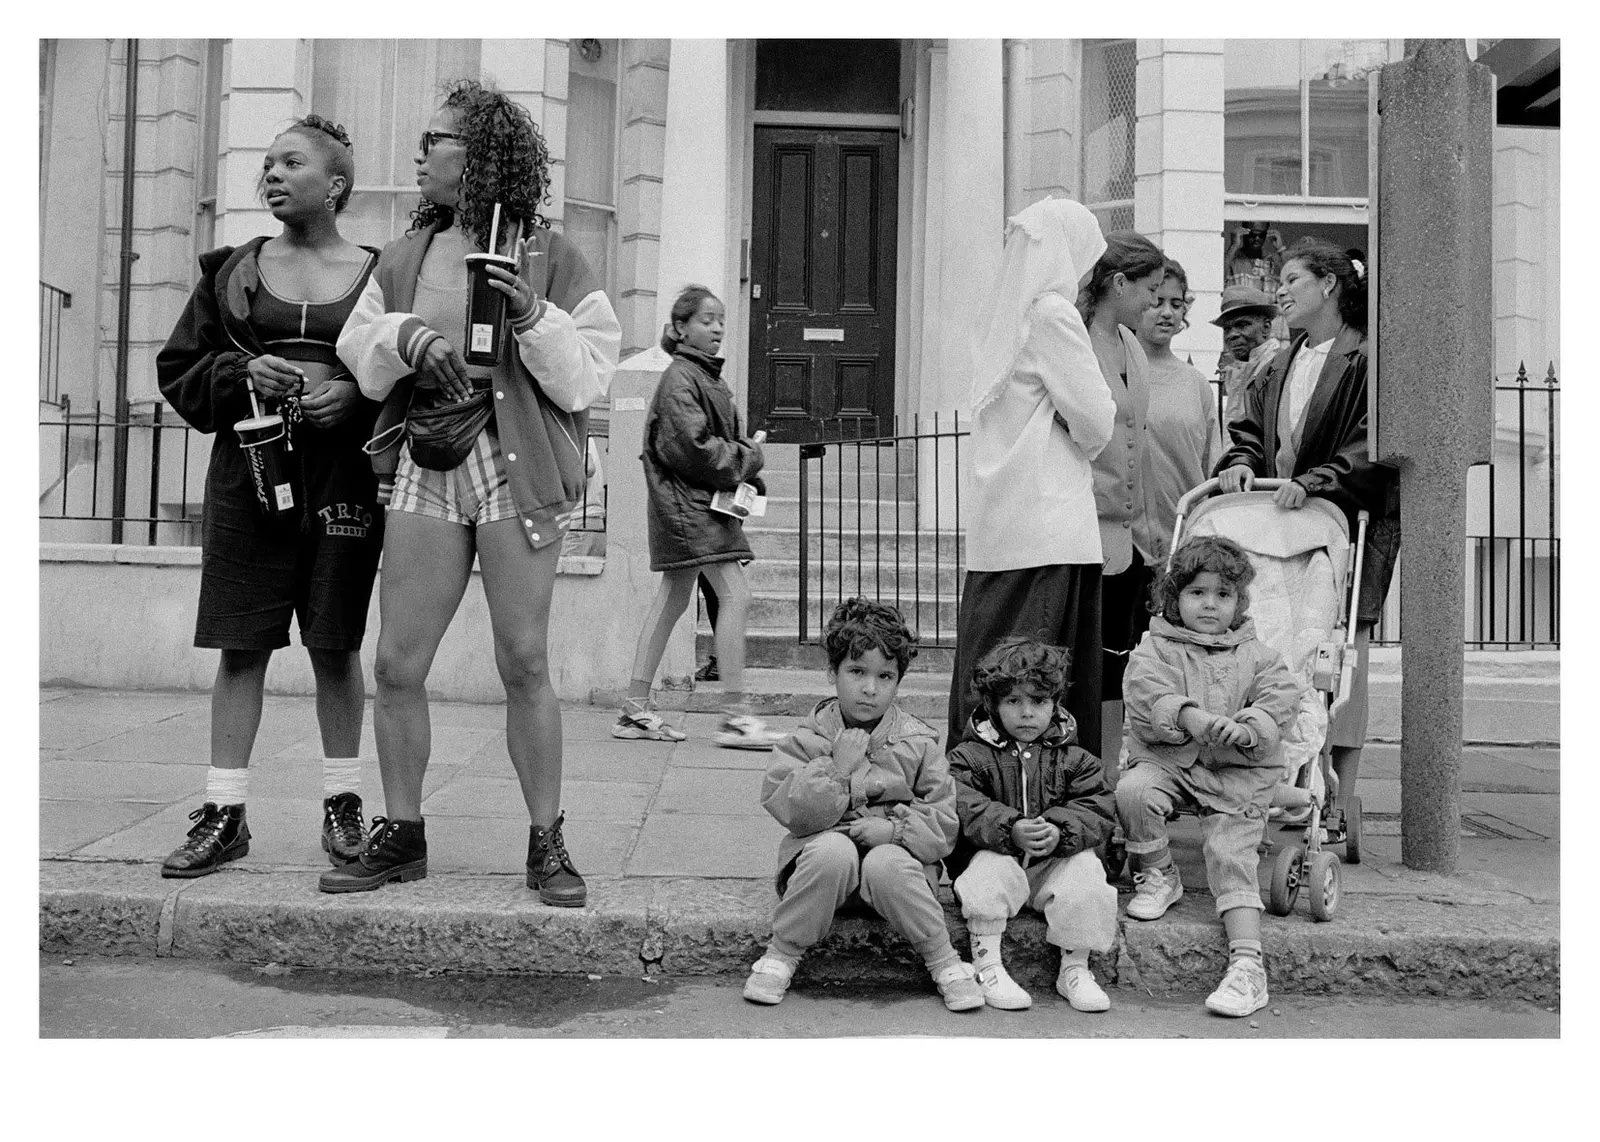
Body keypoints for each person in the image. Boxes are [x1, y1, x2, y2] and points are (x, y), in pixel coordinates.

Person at [325, 80, 620, 905]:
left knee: (524, 658)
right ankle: (403, 833)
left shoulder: (552, 254)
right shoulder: (407, 255)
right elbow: (360, 345)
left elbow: (587, 374)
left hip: (516, 464)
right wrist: (407, 336)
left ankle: (546, 841)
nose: (421, 153)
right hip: (429, 457)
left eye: (436, 140)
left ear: (480, 154)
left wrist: (531, 314)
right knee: (396, 660)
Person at [156, 115, 382, 878]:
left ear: (337, 183)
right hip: (249, 476)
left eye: (290, 162)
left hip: (343, 480)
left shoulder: (380, 275)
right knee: (241, 643)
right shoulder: (231, 273)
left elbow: (404, 378)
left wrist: (354, 397)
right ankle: (224, 814)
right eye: (267, 164)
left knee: (336, 644)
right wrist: (242, 375)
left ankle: (344, 808)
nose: (272, 175)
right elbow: (180, 370)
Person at [1215, 237, 1399, 814]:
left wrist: (1318, 480)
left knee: (1341, 651)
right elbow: (1248, 429)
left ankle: (1339, 787)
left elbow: (1374, 442)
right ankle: (1272, 767)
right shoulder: (1281, 358)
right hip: (1276, 527)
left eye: (1292, 279)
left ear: (1329, 285)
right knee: (1277, 641)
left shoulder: (1368, 356)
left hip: (1341, 522)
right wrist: (1243, 463)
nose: (1281, 290)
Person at [745, 599, 983, 1012]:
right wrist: (837, 770)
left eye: (884, 676)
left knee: (884, 862)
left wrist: (895, 831)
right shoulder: (808, 738)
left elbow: (944, 822)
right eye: (856, 672)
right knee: (833, 851)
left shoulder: (919, 743)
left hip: (897, 876)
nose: (870, 688)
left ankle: (944, 961)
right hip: (822, 875)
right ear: (833, 673)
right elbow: (793, 811)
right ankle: (781, 954)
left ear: (897, 682)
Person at [946, 197, 1117, 759]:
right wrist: (1080, 431)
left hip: (1001, 524)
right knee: (1044, 674)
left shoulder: (1005, 316)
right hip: (1049, 525)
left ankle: (978, 791)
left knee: (994, 665)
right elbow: (1097, 418)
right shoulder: (1052, 314)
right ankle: (1047, 804)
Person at [1115, 536, 1300, 1017]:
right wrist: (1190, 717)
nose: (1210, 604)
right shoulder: (1156, 649)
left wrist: (1250, 726)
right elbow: (1145, 696)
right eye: (1197, 593)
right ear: (1175, 598)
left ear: (1239, 603)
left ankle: (1247, 965)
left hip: (1238, 775)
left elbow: (1280, 697)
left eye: (1223, 595)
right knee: (1134, 791)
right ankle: (1159, 872)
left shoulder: (1259, 655)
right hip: (1174, 763)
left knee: (1230, 852)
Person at [612, 284, 780, 749]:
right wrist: (752, 457)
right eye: (707, 320)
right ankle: (733, 715)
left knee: (673, 600)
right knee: (735, 595)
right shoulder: (682, 379)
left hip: (688, 507)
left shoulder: (697, 377)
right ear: (681, 327)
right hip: (692, 510)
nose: (718, 327)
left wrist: (746, 468)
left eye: (721, 319)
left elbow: (709, 450)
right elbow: (698, 451)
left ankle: (634, 709)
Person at [947, 637, 1119, 1012]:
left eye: (1038, 702)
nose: (1027, 713)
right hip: (997, 861)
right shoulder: (969, 757)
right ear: (992, 704)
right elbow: (961, 803)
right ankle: (987, 963)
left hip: (1049, 867)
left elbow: (1099, 807)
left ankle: (1075, 966)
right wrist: (1009, 828)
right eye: (1013, 701)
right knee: (985, 875)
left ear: (1055, 703)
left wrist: (1060, 830)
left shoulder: (1077, 759)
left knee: (1087, 872)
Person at [1080, 230, 1167, 762]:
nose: (1154, 304)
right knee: (1089, 663)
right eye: (1149, 291)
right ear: (1118, 283)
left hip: (1131, 538)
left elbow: (1143, 446)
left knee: (1120, 663)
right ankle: (1082, 769)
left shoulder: (1132, 346)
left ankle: (1108, 773)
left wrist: (1153, 534)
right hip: (1086, 530)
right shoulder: (1078, 340)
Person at [1135, 257, 1222, 569]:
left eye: (1176, 303)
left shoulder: (1196, 384)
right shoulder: (1114, 373)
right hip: (1126, 546)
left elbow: (1211, 467)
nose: (1167, 312)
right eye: (1157, 302)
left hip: (1185, 544)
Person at [1211, 284, 1282, 437]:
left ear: (1266, 328)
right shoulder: (1240, 371)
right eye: (1227, 329)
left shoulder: (1277, 370)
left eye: (1242, 325)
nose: (1232, 335)